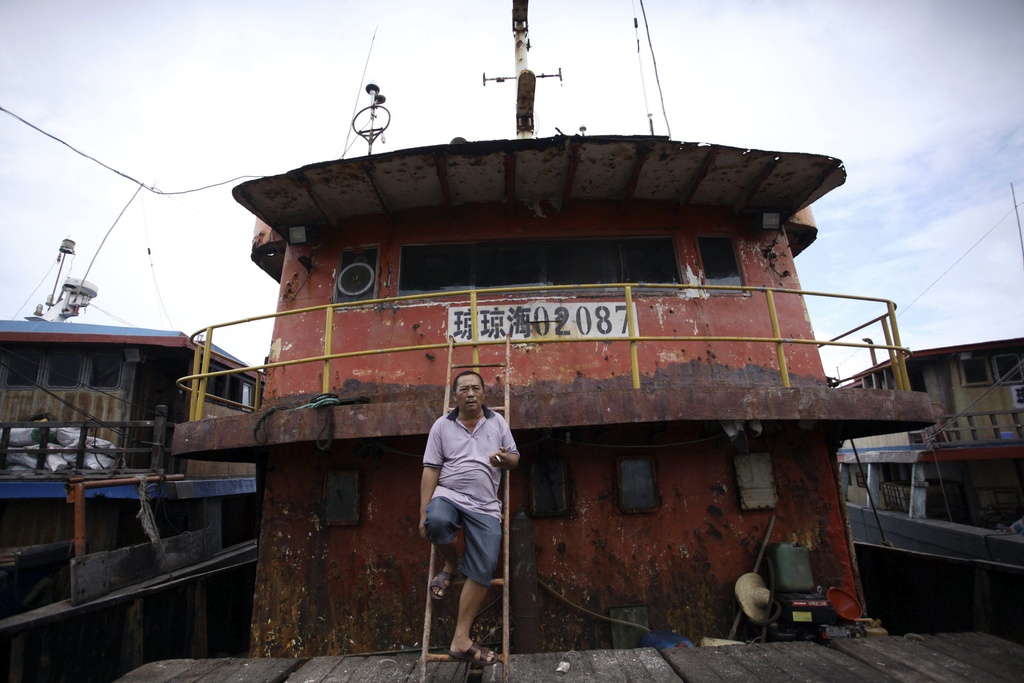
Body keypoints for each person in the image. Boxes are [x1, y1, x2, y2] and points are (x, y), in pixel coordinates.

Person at [419, 370, 519, 666]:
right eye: (465, 389)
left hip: (486, 505)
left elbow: (515, 457)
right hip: (449, 494)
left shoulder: (497, 422)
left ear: (484, 394)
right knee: (435, 521)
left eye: (476, 388)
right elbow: (430, 470)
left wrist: (504, 459)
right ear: (455, 396)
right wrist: (422, 511)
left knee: (485, 566)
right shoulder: (441, 426)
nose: (471, 394)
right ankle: (450, 564)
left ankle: (460, 639)